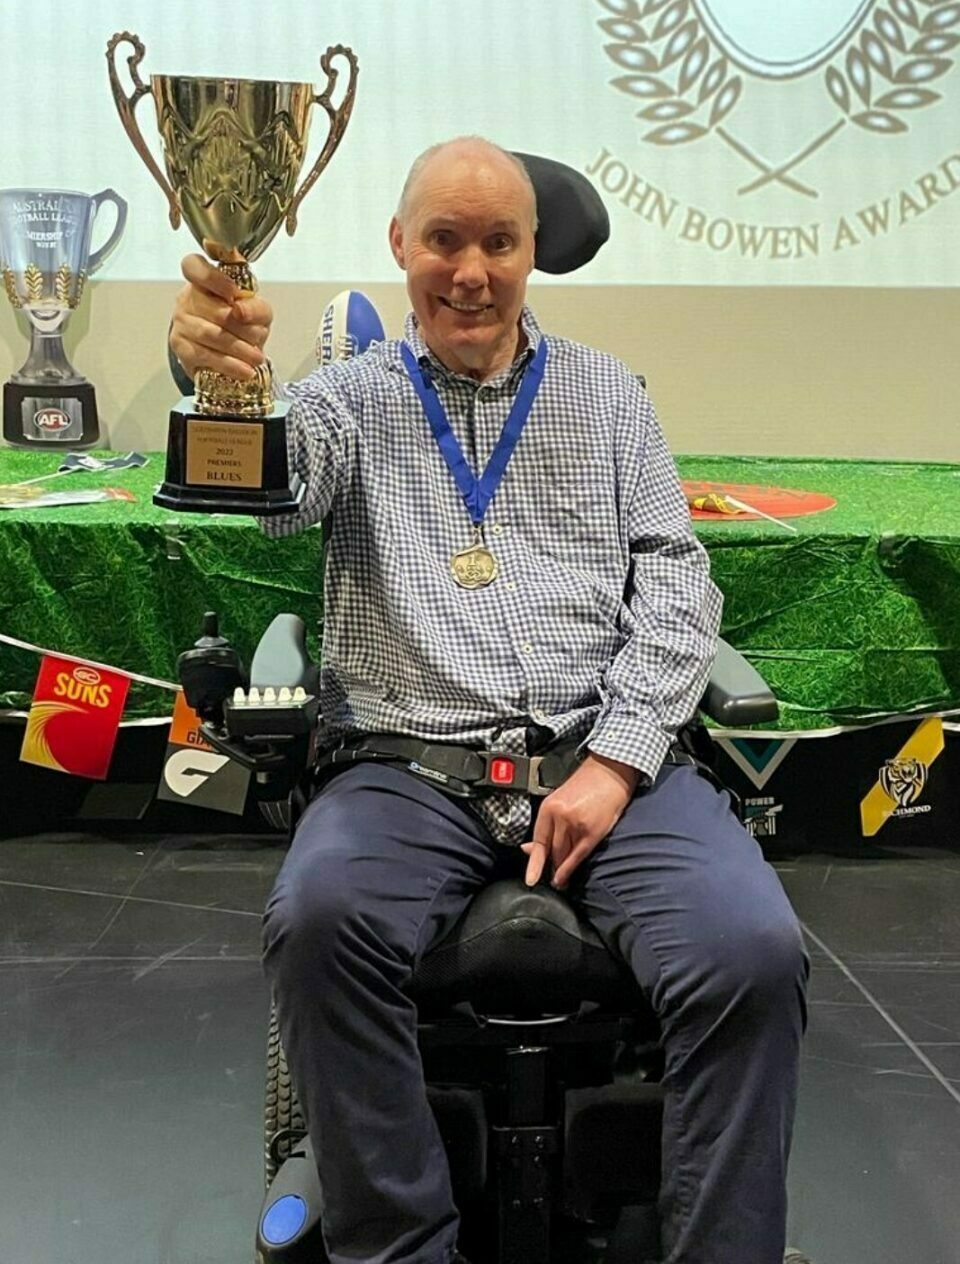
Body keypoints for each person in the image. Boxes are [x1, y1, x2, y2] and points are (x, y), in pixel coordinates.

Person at [169, 137, 809, 1264]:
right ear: (400, 248)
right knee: (319, 924)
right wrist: (219, 376)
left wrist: (615, 760)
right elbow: (274, 479)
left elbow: (675, 580)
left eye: (499, 242)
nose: (472, 270)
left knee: (752, 949)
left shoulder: (610, 396)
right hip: (409, 767)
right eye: (446, 241)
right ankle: (404, 1244)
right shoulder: (345, 401)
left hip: (601, 752)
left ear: (532, 255)